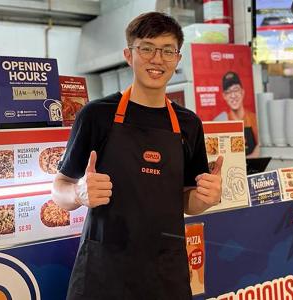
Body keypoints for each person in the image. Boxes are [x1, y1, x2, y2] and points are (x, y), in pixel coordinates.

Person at [52, 12, 223, 300]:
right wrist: (79, 193)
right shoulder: (96, 115)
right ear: (129, 55)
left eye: (167, 50)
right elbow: (59, 189)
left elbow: (187, 201)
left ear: (178, 59)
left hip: (165, 273)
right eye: (146, 48)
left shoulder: (189, 124)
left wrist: (205, 199)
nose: (157, 59)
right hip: (103, 272)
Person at [213, 71, 259, 157]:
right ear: (224, 96)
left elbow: (261, 147)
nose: (233, 95)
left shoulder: (254, 119)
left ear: (242, 92)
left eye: (236, 90)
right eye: (228, 92)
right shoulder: (222, 121)